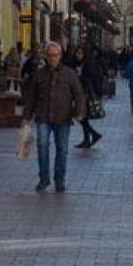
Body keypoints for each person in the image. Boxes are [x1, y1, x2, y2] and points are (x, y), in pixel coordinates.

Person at [22, 41, 86, 193]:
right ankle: (44, 179)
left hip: (63, 117)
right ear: (46, 56)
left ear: (60, 56)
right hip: (43, 116)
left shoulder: (69, 74)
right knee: (42, 145)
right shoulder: (39, 74)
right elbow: (31, 96)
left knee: (62, 149)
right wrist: (27, 116)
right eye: (50, 56)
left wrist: (79, 112)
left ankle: (59, 180)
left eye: (55, 55)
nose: (52, 59)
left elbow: (78, 94)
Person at [74, 46, 104, 149]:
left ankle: (91, 137)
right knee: (83, 118)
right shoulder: (84, 63)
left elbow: (89, 79)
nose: (78, 55)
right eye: (77, 53)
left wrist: (79, 75)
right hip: (84, 93)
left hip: (87, 94)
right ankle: (89, 138)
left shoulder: (89, 64)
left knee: (83, 117)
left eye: (80, 53)